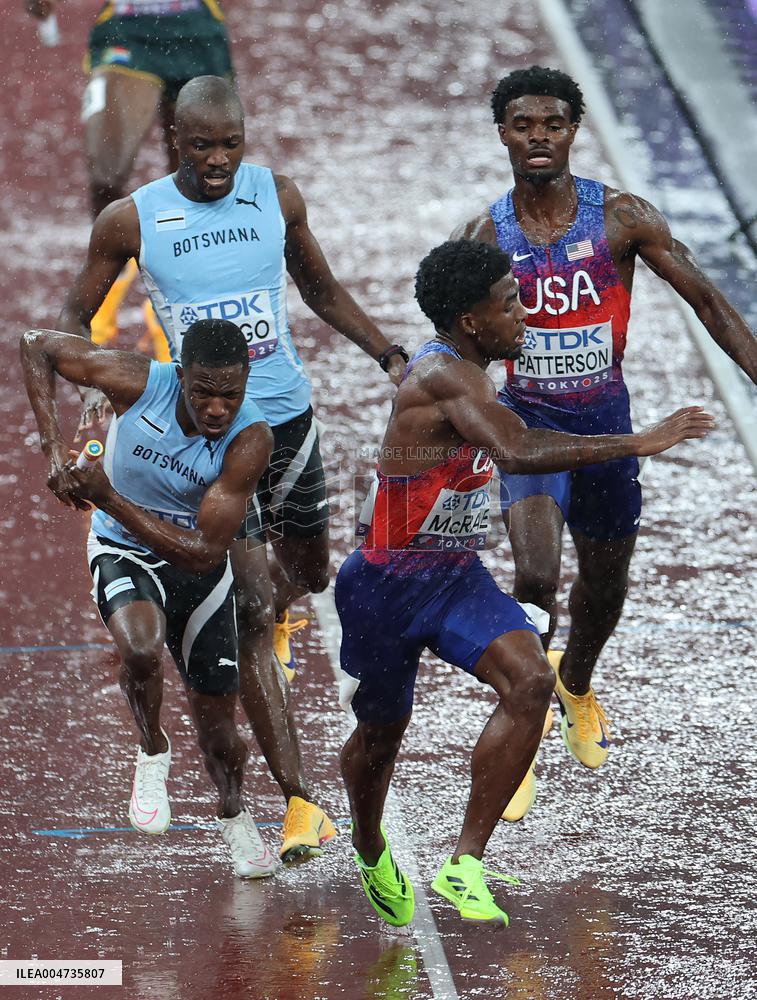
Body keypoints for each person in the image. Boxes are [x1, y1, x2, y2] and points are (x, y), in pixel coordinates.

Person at [56, 74, 407, 861]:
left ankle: (265, 618)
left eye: (231, 145)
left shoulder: (275, 197)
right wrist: (90, 396)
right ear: (174, 140)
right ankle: (299, 802)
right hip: (215, 433)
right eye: (202, 146)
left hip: (288, 418)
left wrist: (385, 351)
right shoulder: (132, 218)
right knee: (246, 605)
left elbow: (319, 289)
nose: (218, 160)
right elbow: (74, 315)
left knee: (308, 572)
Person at [336, 239, 713, 925]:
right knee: (381, 735)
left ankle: (464, 865)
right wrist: (638, 441)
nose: (525, 314)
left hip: (454, 575)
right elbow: (514, 449)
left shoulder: (472, 373)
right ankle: (367, 843)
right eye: (509, 303)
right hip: (387, 582)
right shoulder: (445, 377)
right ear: (471, 321)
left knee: (533, 680)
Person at [453, 66, 757, 811]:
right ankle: (522, 722)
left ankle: (576, 682)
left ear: (572, 132)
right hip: (528, 432)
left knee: (605, 585)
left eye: (552, 125)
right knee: (534, 574)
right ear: (502, 134)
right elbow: (457, 349)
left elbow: (708, 301)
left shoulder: (622, 218)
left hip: (607, 429)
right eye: (523, 126)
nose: (538, 138)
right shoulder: (484, 237)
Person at [21, 318, 282, 879]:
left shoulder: (251, 439)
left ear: (246, 384)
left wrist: (108, 497)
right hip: (122, 550)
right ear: (180, 375)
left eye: (231, 395)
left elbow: (204, 554)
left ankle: (234, 813)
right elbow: (36, 347)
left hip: (197, 569)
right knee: (140, 649)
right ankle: (152, 747)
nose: (217, 409)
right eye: (203, 393)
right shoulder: (137, 381)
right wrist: (54, 453)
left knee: (221, 734)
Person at [25, 0, 236, 351]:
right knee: (106, 175)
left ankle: (180, 301)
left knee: (200, 181)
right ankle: (107, 286)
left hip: (197, 30)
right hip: (127, 29)